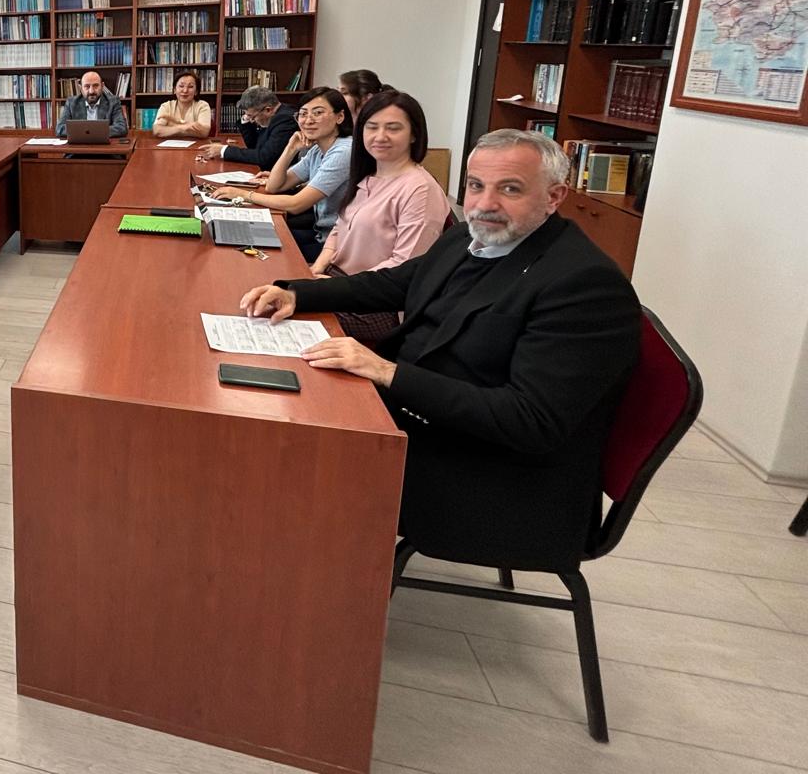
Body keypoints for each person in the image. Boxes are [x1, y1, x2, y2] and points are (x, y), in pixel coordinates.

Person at [238, 129, 641, 570]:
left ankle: (285, 586)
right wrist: (298, 293)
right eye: (476, 186)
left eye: (510, 189)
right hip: (426, 422)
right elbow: (394, 283)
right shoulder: (470, 237)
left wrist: (387, 372)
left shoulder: (583, 285)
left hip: (498, 481)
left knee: (288, 452)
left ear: (554, 197)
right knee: (274, 406)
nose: (485, 203)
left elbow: (530, 421)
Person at [311, 91, 451, 340]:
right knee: (268, 293)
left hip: (378, 303)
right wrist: (317, 268)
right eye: (372, 127)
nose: (380, 136)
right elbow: (339, 228)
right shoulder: (368, 176)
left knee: (291, 316)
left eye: (393, 128)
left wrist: (332, 289)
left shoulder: (420, 189)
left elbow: (403, 266)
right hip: (340, 282)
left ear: (414, 134)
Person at [210, 87, 352, 260]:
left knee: (253, 251)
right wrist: (290, 148)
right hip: (320, 233)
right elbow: (274, 186)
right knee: (242, 237)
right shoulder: (317, 150)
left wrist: (243, 194)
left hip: (335, 245)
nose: (308, 120)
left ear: (340, 117)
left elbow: (296, 204)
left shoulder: (343, 152)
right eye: (303, 114)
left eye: (318, 113)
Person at [199, 85, 297, 168]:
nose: (251, 120)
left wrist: (224, 150)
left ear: (268, 110)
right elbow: (254, 147)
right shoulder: (272, 116)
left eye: (252, 116)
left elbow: (264, 158)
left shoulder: (286, 120)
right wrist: (246, 120)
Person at [56, 70, 127, 138]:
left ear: (102, 86)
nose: (91, 91)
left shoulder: (113, 102)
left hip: (103, 145)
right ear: (81, 88)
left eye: (95, 86)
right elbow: (60, 129)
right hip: (80, 145)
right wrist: (94, 132)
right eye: (87, 86)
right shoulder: (71, 102)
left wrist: (86, 132)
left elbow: (121, 128)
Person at [151, 70, 213, 139]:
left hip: (196, 145)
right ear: (174, 90)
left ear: (196, 91)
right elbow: (157, 131)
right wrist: (182, 127)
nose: (185, 90)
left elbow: (204, 132)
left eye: (190, 87)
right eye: (181, 86)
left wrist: (173, 127)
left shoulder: (203, 106)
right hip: (170, 145)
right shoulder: (166, 106)